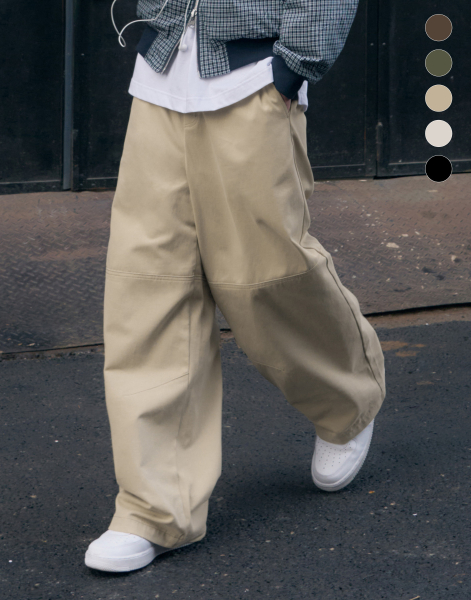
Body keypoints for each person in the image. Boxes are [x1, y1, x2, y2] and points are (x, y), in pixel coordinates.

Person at [85, 0, 386, 573]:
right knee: (146, 287)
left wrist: (296, 64)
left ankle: (347, 400)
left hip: (253, 78)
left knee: (265, 280)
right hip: (161, 72)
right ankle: (156, 509)